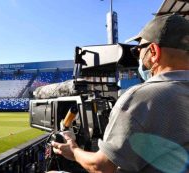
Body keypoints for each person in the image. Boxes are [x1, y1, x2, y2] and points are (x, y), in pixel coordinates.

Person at [49, 14, 189, 173]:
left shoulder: (142, 97)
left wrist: (73, 151)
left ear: (154, 52)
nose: (137, 58)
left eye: (137, 52)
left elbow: (101, 167)